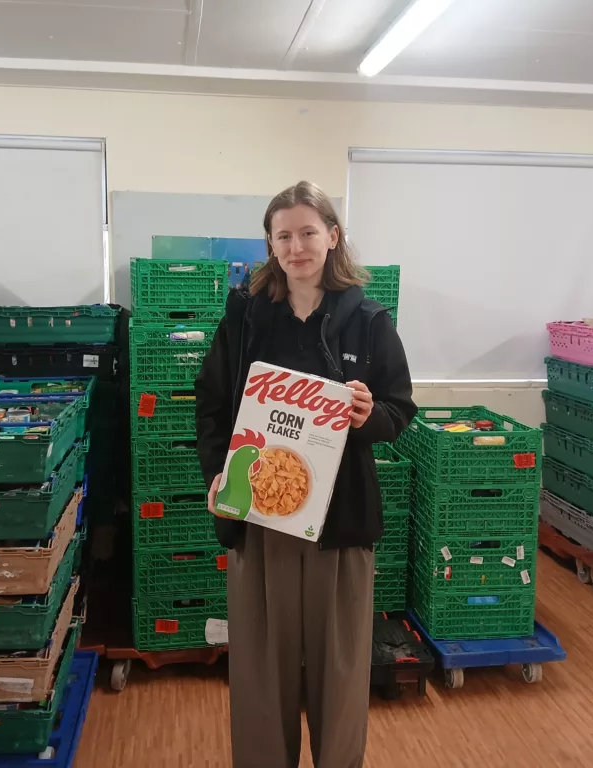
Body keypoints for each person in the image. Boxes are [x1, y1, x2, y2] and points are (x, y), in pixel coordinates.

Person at [195, 180, 417, 768]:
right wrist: (218, 473)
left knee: (339, 670)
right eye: (284, 235)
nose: (297, 246)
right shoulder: (246, 316)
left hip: (340, 523)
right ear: (270, 243)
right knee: (260, 671)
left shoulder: (368, 321)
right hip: (258, 516)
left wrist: (370, 416)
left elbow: (400, 408)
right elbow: (212, 402)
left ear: (333, 236)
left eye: (309, 233)